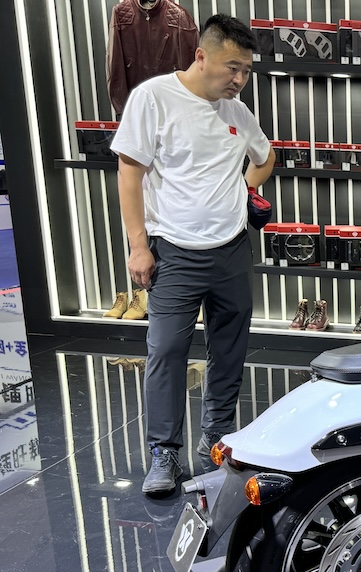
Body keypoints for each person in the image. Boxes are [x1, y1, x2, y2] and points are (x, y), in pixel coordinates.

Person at [112, 14, 276, 494]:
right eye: (232, 67)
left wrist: (245, 190)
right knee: (166, 351)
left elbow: (265, 157)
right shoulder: (154, 98)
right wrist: (138, 246)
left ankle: (215, 440)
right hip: (174, 251)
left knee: (229, 351)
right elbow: (129, 172)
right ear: (201, 55)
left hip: (231, 250)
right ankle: (164, 454)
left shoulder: (237, 112)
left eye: (246, 70)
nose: (239, 79)